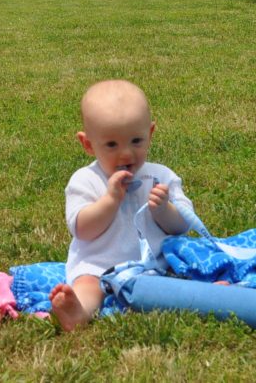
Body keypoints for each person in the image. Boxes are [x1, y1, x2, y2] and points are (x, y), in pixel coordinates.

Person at [49, 79, 193, 331]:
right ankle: (78, 310)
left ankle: (207, 294)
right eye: (112, 144)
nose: (126, 154)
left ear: (150, 134)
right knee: (87, 285)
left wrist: (164, 210)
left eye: (136, 141)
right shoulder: (86, 180)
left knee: (185, 272)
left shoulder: (161, 177)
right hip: (98, 268)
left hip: (154, 266)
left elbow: (183, 224)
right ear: (88, 144)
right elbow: (82, 229)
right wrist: (110, 200)